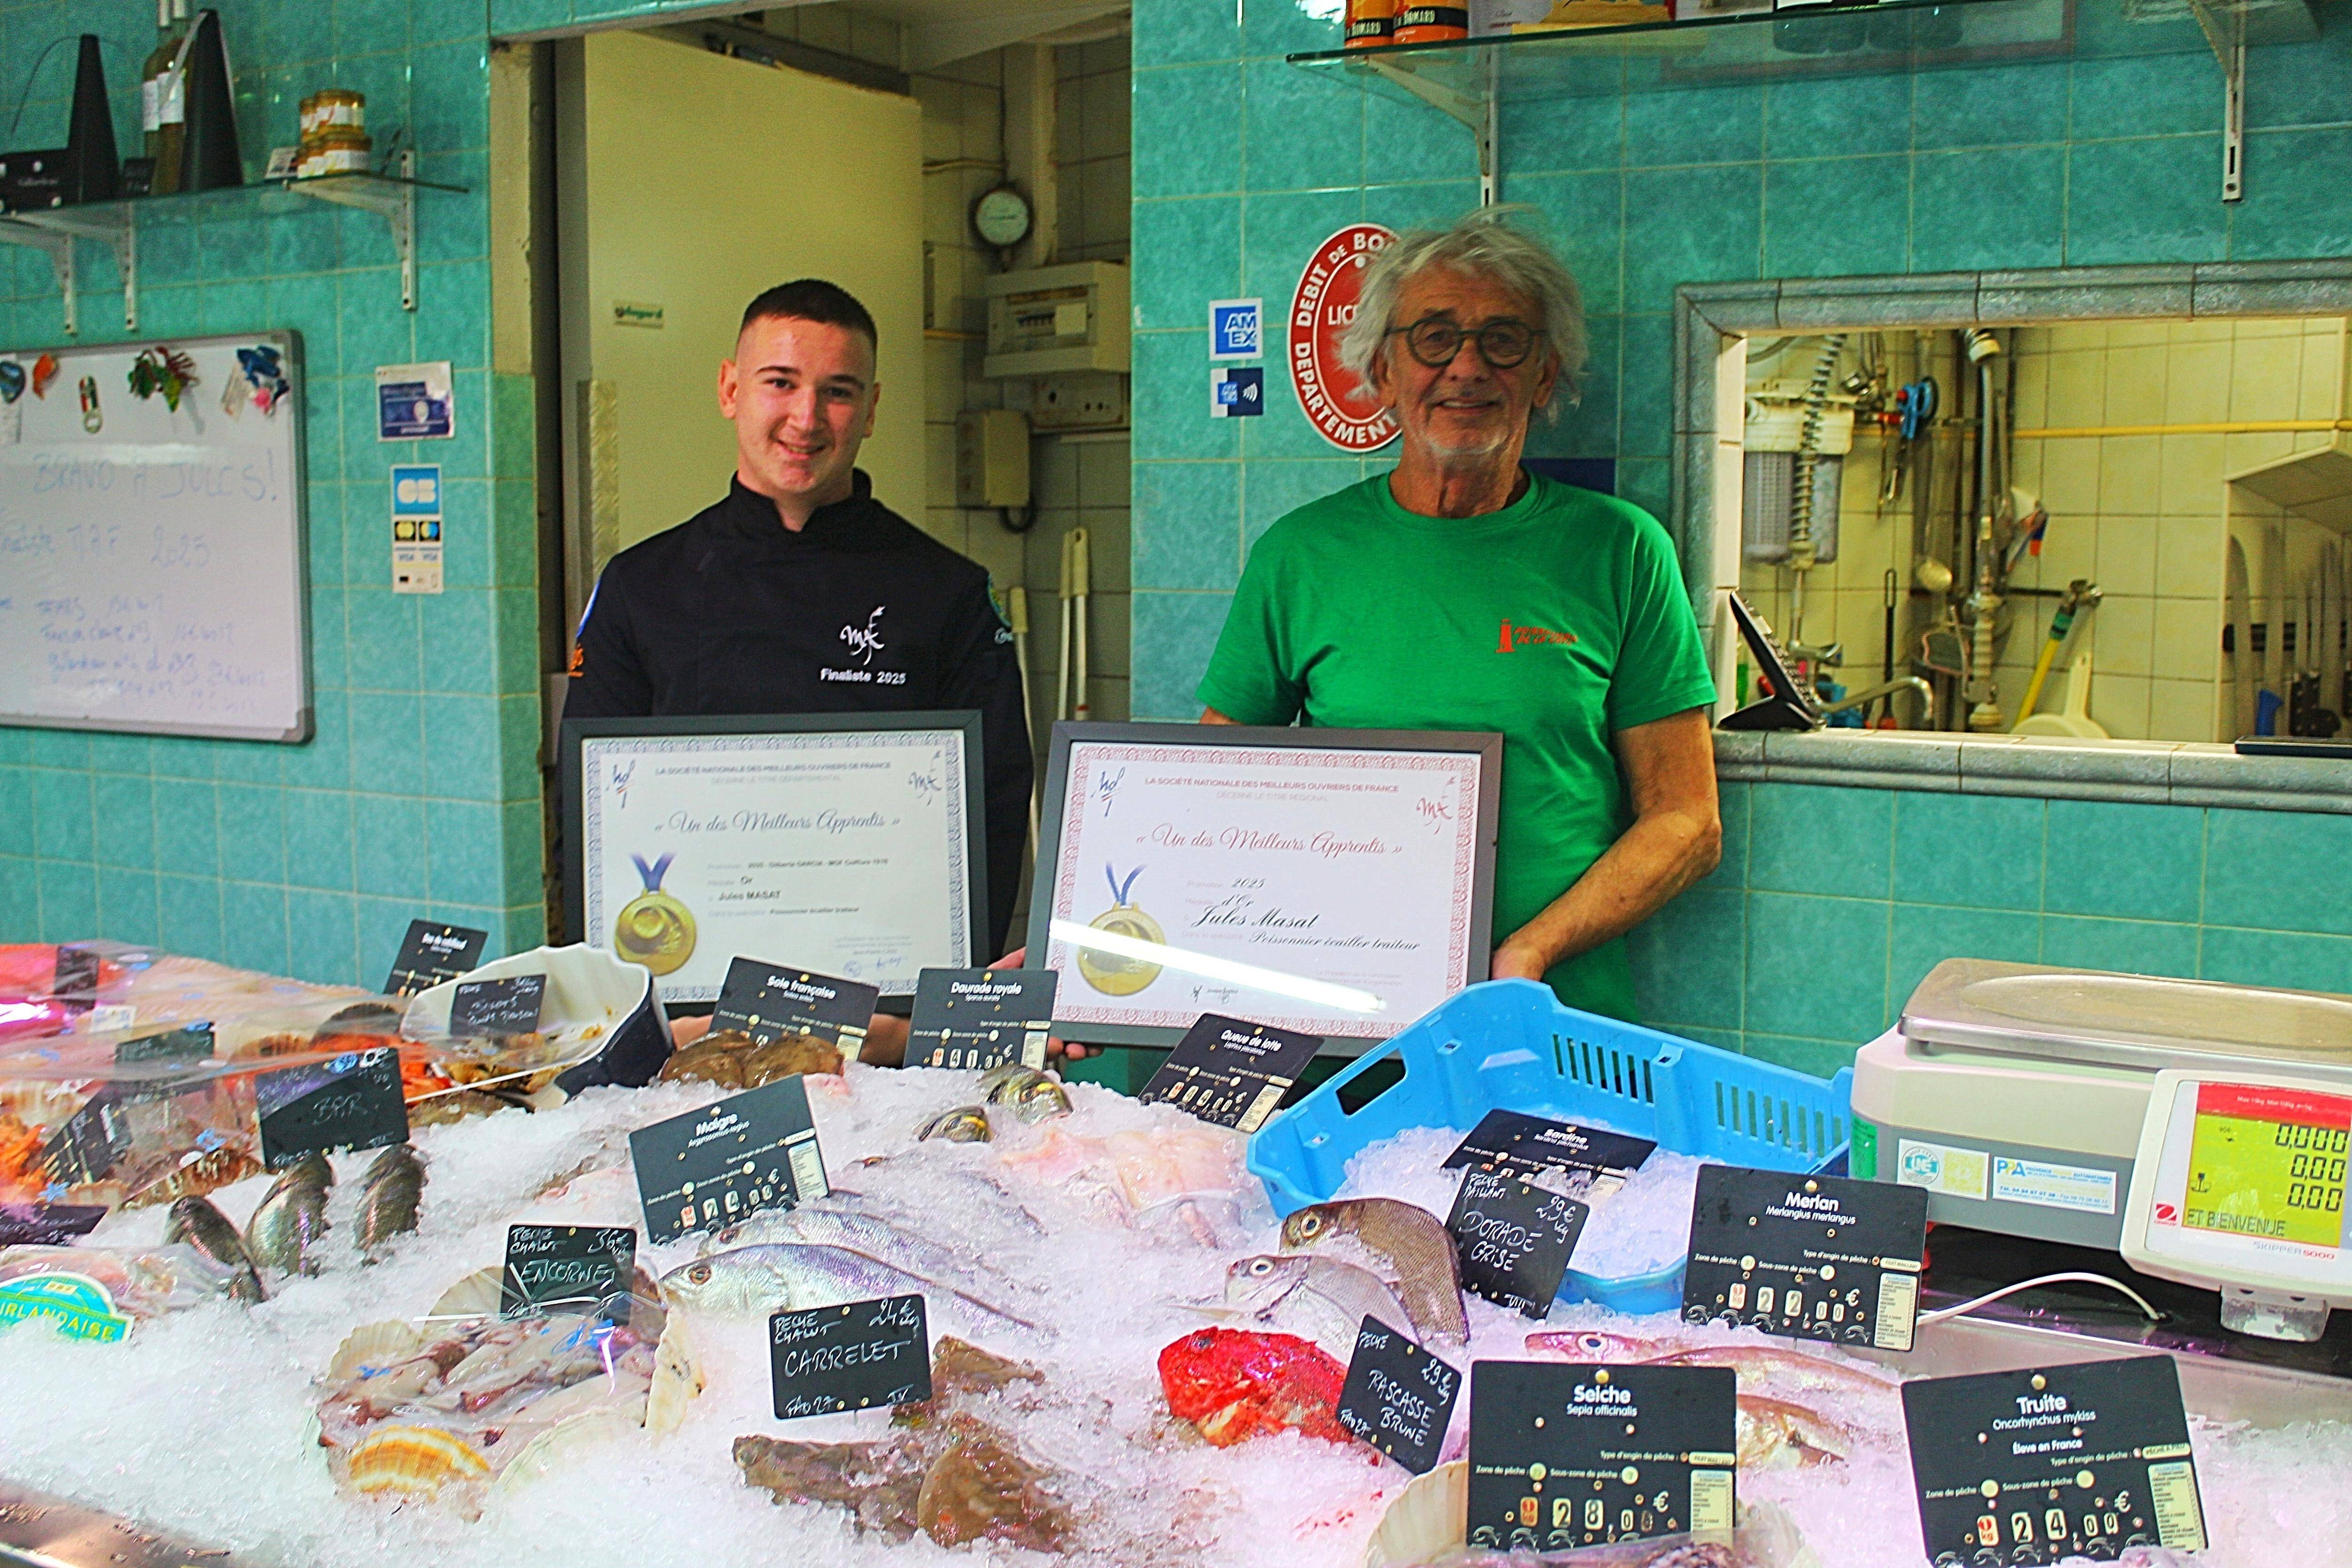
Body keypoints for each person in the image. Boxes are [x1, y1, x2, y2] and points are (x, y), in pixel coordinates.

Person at [1195, 210, 1722, 1023]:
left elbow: (1687, 820)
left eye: (1504, 340)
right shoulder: (1300, 555)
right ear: (1382, 370)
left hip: (1552, 1011)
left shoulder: (1622, 550)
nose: (1467, 367)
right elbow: (1214, 793)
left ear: (1544, 376)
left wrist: (1531, 952)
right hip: (1342, 1012)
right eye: (1433, 337)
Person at [565, 279, 1032, 1063]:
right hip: (694, 1032)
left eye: (838, 392)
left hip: (882, 1033)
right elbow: (590, 818)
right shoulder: (640, 586)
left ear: (874, 407)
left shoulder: (946, 593)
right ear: (729, 389)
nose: (806, 419)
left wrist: (935, 1003)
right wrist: (636, 1008)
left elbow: (990, 809)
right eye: (780, 383)